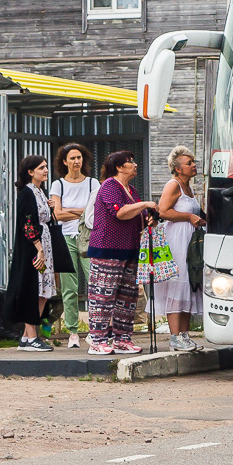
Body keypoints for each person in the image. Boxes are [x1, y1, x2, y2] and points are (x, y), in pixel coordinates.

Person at [85, 151, 156, 355]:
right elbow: (120, 212)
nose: (134, 165)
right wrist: (144, 204)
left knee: (128, 297)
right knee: (103, 296)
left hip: (130, 249)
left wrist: (149, 217)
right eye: (129, 162)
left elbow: (137, 214)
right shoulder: (109, 186)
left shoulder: (130, 189)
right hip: (108, 249)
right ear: (118, 167)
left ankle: (122, 339)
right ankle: (98, 340)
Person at [6, 156, 72, 351]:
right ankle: (32, 336)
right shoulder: (27, 192)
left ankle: (27, 337)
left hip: (45, 243)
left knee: (44, 290)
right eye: (41, 168)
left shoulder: (40, 191)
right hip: (34, 248)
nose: (45, 170)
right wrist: (39, 248)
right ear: (30, 171)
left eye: (45, 167)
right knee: (34, 288)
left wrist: (51, 209)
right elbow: (27, 223)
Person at [48, 142, 97, 347]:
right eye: (72, 158)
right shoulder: (58, 184)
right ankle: (73, 331)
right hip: (66, 237)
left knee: (95, 281)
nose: (76, 161)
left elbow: (96, 211)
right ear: (64, 161)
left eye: (79, 157)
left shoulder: (93, 183)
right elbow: (57, 214)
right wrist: (83, 211)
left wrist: (71, 210)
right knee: (70, 286)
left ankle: (96, 328)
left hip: (88, 236)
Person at [157, 146, 204, 351]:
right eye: (189, 163)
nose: (193, 165)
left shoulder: (190, 188)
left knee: (188, 283)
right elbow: (163, 211)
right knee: (178, 282)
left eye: (193, 162)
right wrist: (188, 216)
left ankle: (184, 334)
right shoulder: (173, 185)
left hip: (189, 239)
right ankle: (174, 336)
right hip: (176, 238)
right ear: (177, 169)